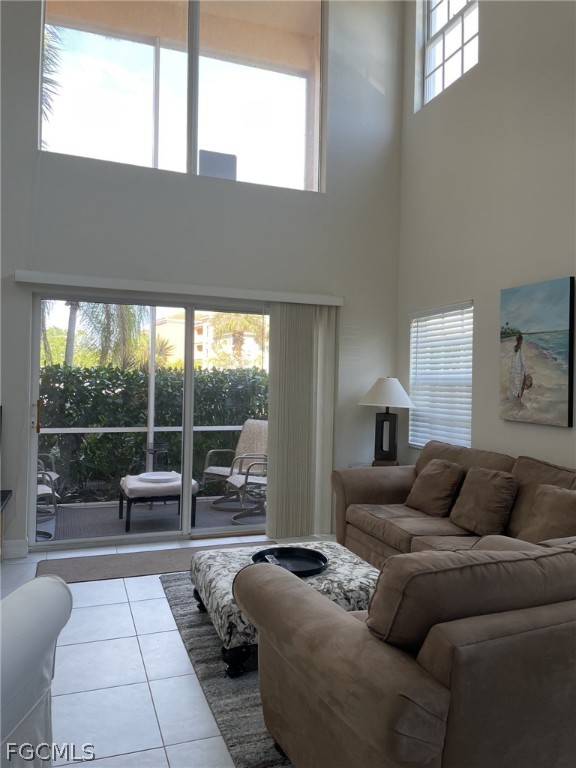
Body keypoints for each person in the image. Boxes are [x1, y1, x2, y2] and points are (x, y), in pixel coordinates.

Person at [509, 333, 527, 401]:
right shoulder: (520, 350)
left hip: (515, 369)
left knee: (516, 384)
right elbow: (523, 362)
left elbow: (514, 361)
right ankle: (520, 398)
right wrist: (526, 372)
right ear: (521, 341)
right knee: (522, 382)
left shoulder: (515, 348)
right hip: (519, 370)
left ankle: (518, 396)